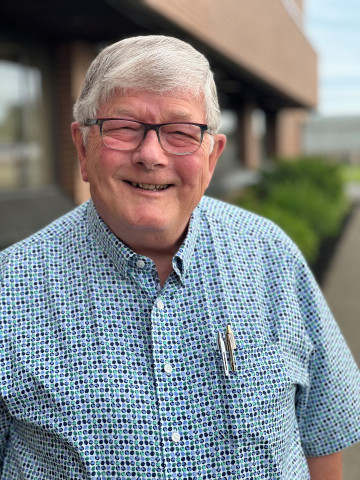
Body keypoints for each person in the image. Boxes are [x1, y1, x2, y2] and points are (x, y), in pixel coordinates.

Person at [0, 35, 359, 480]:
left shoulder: (272, 257)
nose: (151, 155)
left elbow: (323, 435)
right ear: (82, 148)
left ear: (212, 158)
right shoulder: (9, 290)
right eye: (124, 126)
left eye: (181, 133)